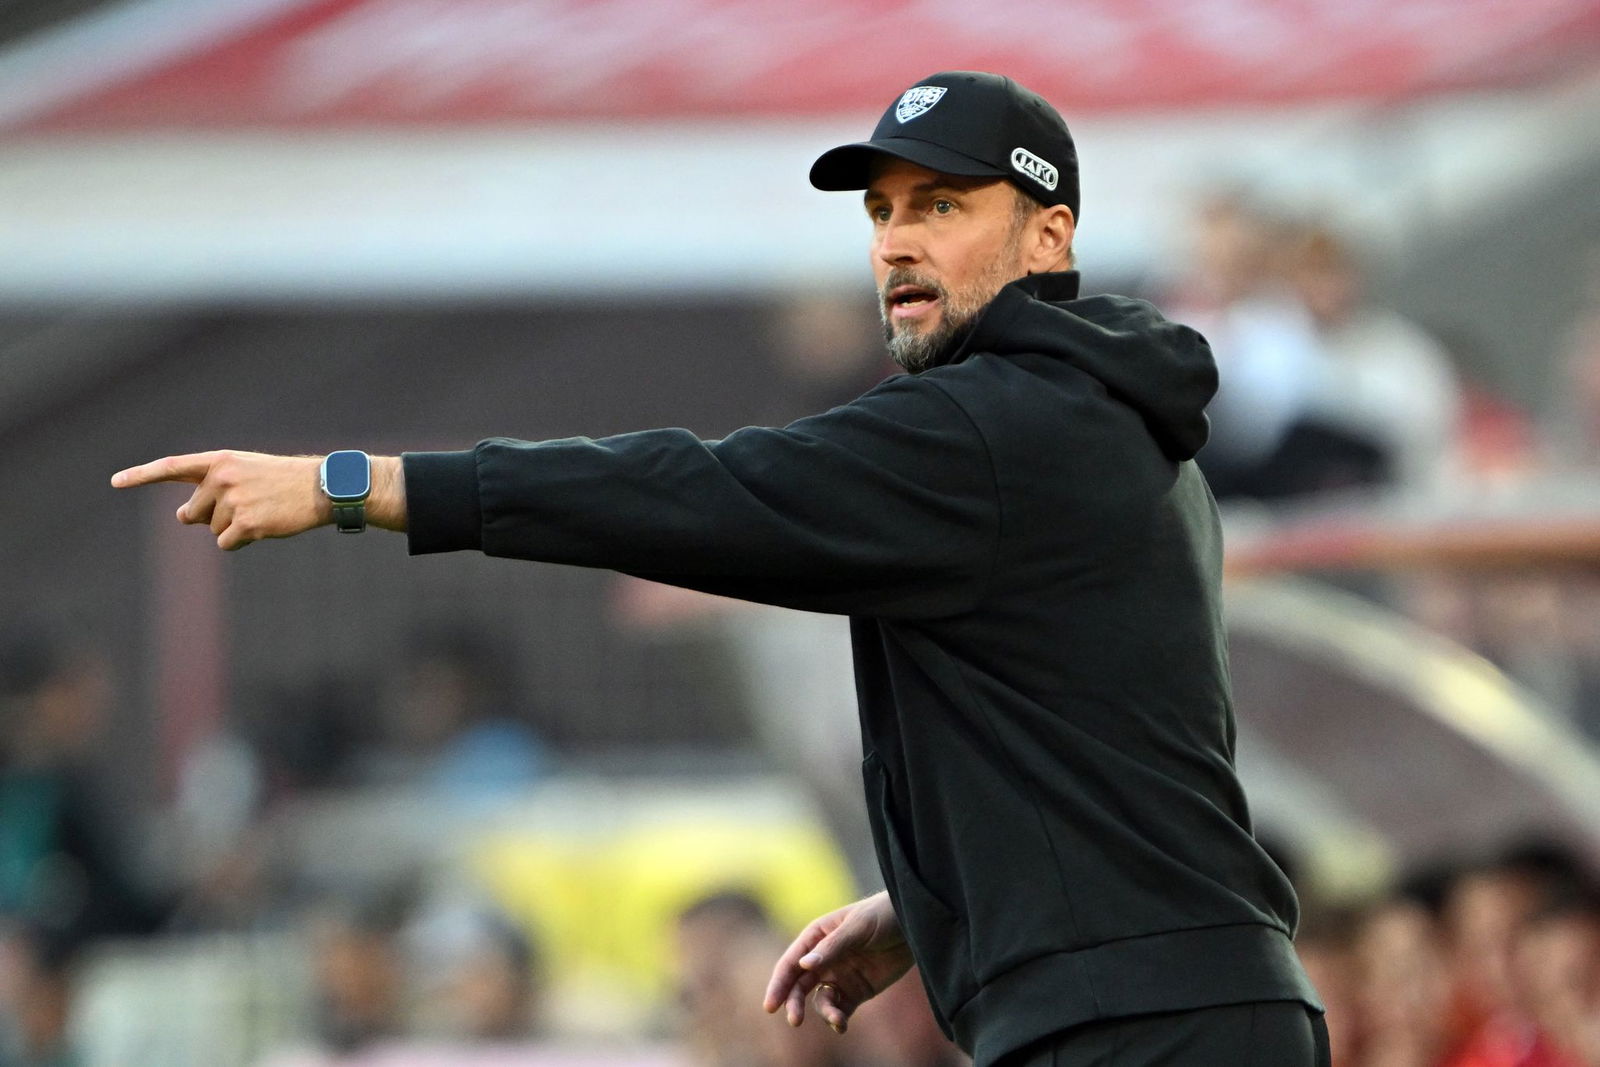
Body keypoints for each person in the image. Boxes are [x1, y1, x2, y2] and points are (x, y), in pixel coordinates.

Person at [110, 71, 1325, 1065]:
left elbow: (692, 489)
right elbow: (1110, 742)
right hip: (1174, 999)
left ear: (1048, 233)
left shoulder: (990, 427)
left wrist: (353, 487)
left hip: (1139, 1027)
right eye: (882, 212)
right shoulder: (1106, 427)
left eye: (941, 207)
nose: (897, 242)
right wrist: (939, 893)